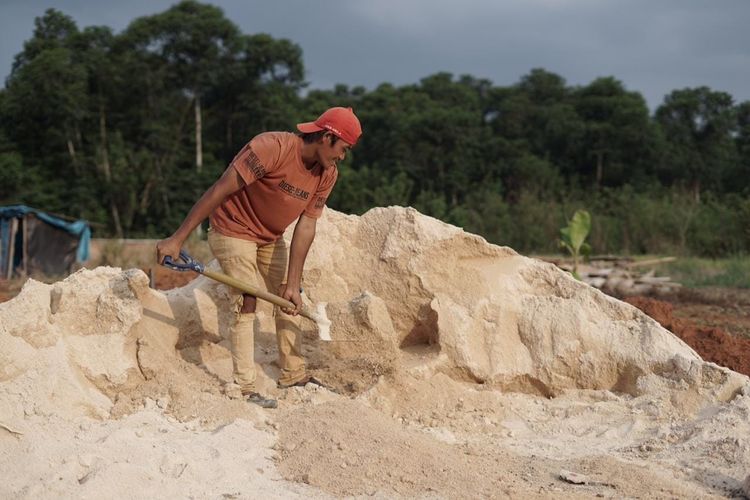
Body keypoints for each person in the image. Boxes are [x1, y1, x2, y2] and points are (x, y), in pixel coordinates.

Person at [156, 107, 362, 408]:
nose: (342, 157)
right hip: (232, 229)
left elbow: (307, 226)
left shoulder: (327, 174)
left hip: (269, 238)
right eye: (343, 149)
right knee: (248, 296)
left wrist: (292, 284)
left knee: (290, 300)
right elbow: (219, 189)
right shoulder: (271, 148)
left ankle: (293, 374)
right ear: (328, 137)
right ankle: (244, 387)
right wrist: (177, 238)